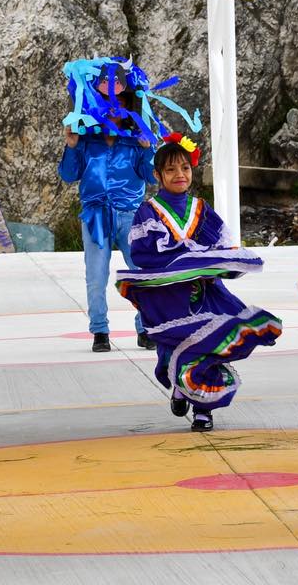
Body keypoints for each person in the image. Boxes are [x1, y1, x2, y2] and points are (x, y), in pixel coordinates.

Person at [116, 136, 282, 431]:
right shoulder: (148, 211)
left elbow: (223, 245)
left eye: (184, 168)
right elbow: (141, 253)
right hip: (168, 300)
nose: (179, 175)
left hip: (205, 294)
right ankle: (181, 388)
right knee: (171, 350)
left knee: (209, 345)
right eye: (170, 170)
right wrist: (183, 259)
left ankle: (204, 410)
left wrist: (210, 262)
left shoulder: (201, 208)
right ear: (157, 175)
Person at [59, 77, 157, 353]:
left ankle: (145, 328)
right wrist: (71, 145)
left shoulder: (134, 142)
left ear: (128, 108)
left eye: (119, 104)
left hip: (131, 215)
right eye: (106, 104)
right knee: (96, 276)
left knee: (142, 273)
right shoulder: (86, 141)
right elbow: (68, 175)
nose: (112, 110)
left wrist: (148, 149)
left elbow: (152, 176)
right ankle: (100, 331)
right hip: (95, 215)